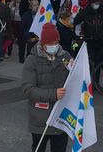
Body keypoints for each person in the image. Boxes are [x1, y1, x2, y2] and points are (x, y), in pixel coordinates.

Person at [22, 23, 71, 152]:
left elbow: (75, 80)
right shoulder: (32, 60)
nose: (54, 46)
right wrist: (53, 94)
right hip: (40, 119)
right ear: (43, 44)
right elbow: (28, 89)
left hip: (61, 118)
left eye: (56, 43)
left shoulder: (66, 57)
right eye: (50, 43)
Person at [75, 0, 103, 64]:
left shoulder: (102, 11)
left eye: (98, 3)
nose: (97, 5)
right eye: (95, 3)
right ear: (91, 3)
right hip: (89, 40)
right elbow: (77, 20)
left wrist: (102, 33)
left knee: (98, 60)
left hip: (100, 40)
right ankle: (90, 73)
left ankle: (96, 73)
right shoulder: (85, 12)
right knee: (89, 60)